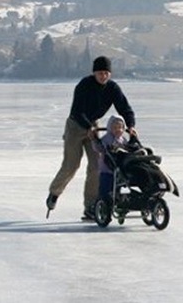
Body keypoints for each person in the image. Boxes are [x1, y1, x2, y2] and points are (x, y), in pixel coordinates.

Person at [45, 55, 136, 220]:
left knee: (97, 166)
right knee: (71, 166)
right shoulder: (84, 85)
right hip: (76, 125)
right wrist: (88, 127)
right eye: (100, 73)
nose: (104, 76)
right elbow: (77, 111)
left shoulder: (113, 88)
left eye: (106, 73)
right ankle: (54, 193)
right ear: (94, 73)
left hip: (93, 126)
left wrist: (131, 126)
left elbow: (125, 107)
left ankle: (91, 206)